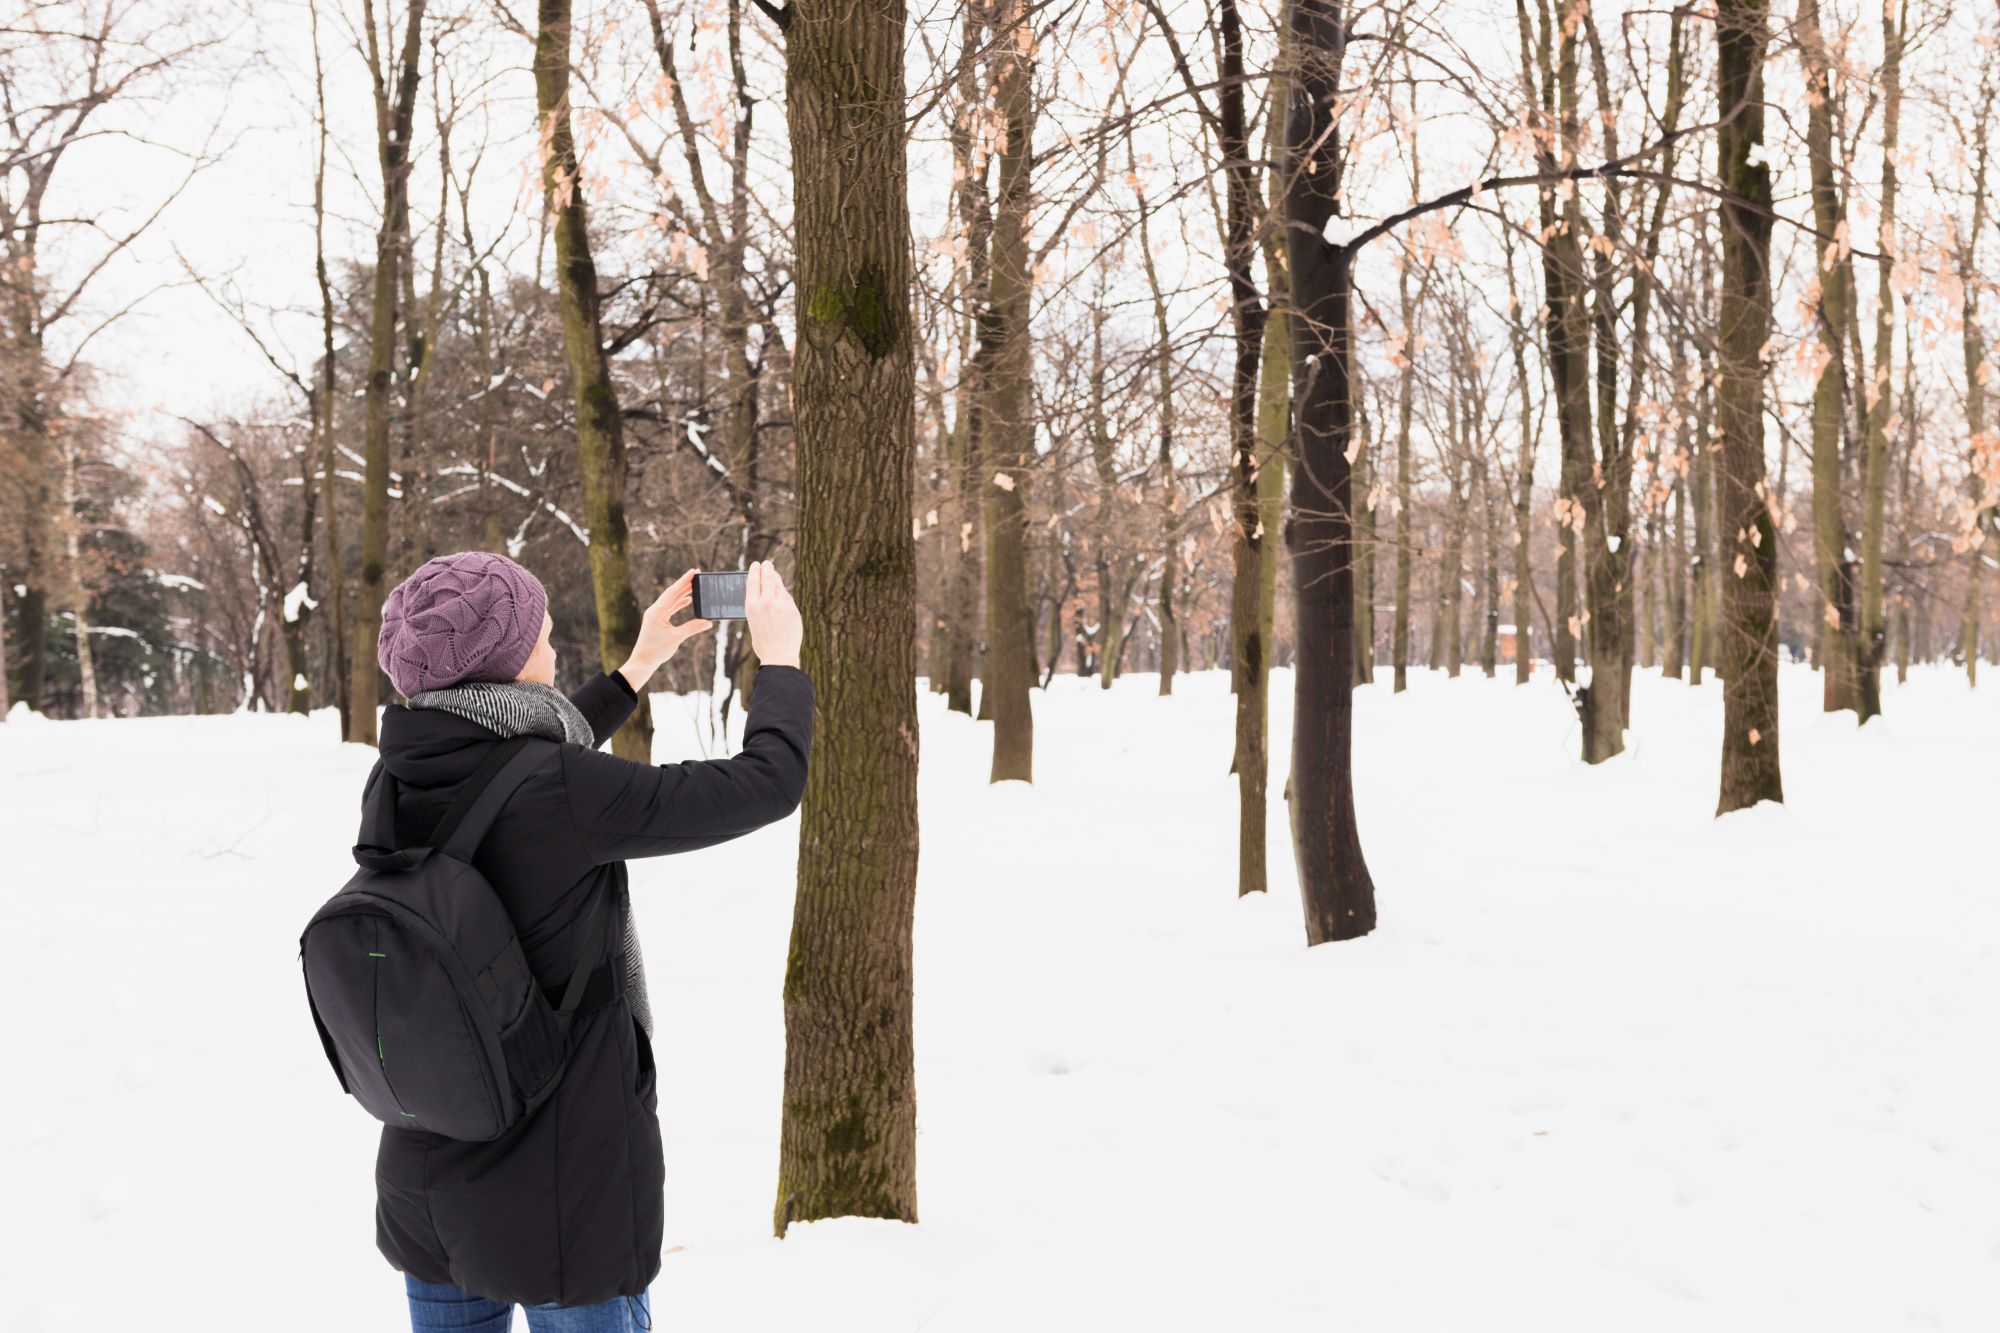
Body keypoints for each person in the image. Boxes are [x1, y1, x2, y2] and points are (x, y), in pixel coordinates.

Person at [365, 552, 812, 1332]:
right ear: (504, 667)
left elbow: (508, 765)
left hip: (429, 1172)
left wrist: (637, 667)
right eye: (538, 630)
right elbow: (765, 782)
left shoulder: (399, 774)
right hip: (561, 1189)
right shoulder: (560, 790)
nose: (550, 639)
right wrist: (780, 662)